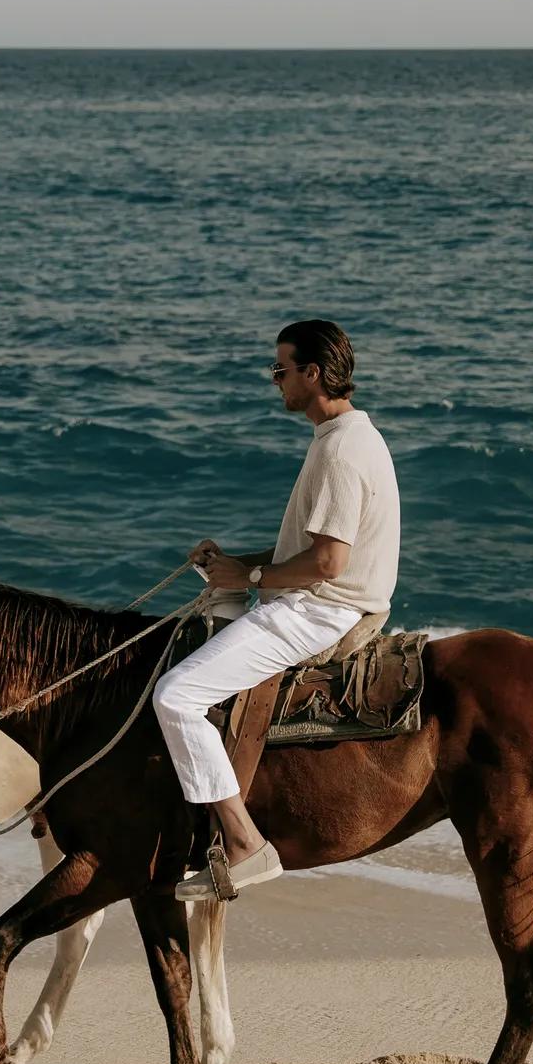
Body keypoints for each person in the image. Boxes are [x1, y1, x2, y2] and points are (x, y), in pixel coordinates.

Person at [156, 320, 401, 900]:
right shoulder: (343, 435)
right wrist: (238, 562)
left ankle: (244, 843)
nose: (275, 382)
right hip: (315, 598)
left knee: (176, 696)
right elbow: (309, 548)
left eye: (280, 370)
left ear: (312, 374)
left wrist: (253, 577)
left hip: (323, 611)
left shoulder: (341, 450)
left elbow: (328, 563)